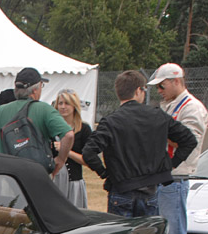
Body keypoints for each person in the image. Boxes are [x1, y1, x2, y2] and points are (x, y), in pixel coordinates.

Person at [82, 70, 196, 220]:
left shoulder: (111, 121)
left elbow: (88, 152)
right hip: (150, 190)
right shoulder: (157, 115)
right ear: (138, 91)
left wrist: (105, 173)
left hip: (121, 189)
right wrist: (170, 164)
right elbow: (189, 140)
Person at [147, 62, 208, 234]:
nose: (160, 91)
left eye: (162, 86)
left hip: (176, 175)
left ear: (176, 81)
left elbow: (188, 141)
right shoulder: (171, 105)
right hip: (162, 174)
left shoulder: (191, 107)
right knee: (162, 232)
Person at [0, 67, 73, 178]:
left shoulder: (0, 111)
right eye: (41, 86)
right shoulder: (45, 109)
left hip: (10, 178)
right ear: (35, 90)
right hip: (39, 175)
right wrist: (61, 159)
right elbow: (69, 135)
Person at [51, 90, 91, 208]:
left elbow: (87, 160)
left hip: (74, 183)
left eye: (67, 103)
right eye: (61, 103)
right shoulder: (51, 127)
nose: (63, 107)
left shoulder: (84, 129)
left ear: (74, 106)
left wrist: (66, 151)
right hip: (55, 181)